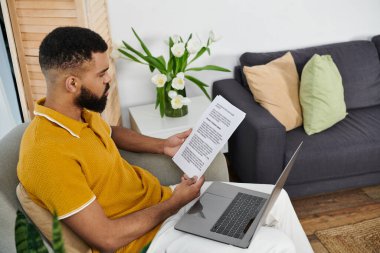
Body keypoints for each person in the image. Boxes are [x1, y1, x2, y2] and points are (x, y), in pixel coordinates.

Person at [17, 27, 313, 253]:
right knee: (275, 245)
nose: (110, 79)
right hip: (148, 240)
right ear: (72, 83)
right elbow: (106, 239)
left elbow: (111, 133)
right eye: (103, 74)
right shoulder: (46, 154)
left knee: (278, 202)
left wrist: (162, 145)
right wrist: (174, 204)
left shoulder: (80, 112)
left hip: (164, 202)